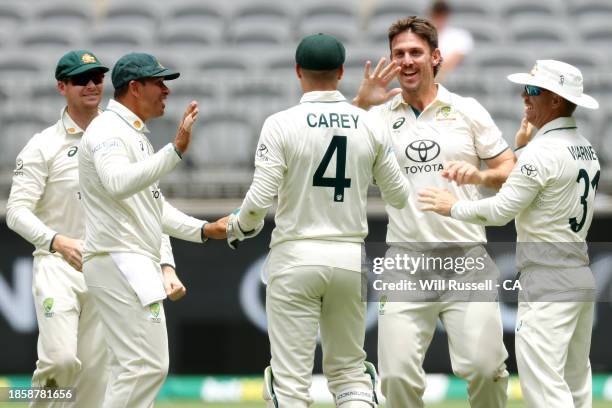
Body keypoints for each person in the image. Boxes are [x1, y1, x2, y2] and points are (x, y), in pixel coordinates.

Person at [226, 33, 411, 408]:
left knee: (291, 382)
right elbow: (400, 196)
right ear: (342, 72)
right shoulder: (370, 124)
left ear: (298, 71)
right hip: (348, 257)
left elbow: (260, 198)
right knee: (349, 374)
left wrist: (239, 227)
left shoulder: (280, 123)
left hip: (295, 257)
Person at [419, 59, 600, 408]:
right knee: (576, 383)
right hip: (579, 274)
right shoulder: (586, 149)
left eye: (533, 91)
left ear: (556, 101)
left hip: (548, 280)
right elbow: (540, 187)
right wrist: (520, 150)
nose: (524, 96)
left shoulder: (540, 153)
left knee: (545, 387)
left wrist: (452, 206)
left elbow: (501, 210)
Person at [352, 17, 514, 408]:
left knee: (485, 368)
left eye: (415, 53)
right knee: (395, 378)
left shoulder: (467, 110)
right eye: (398, 54)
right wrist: (359, 103)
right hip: (406, 262)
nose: (406, 61)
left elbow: (509, 169)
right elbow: (327, 153)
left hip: (467, 259)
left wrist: (479, 173)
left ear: (436, 56)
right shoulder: (376, 118)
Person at [78, 52, 228, 408]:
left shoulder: (132, 133)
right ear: (134, 87)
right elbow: (116, 182)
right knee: (145, 365)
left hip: (127, 259)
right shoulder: (108, 130)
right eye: (159, 83)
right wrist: (174, 151)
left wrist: (203, 230)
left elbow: (152, 206)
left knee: (134, 367)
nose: (166, 91)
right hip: (119, 257)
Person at [6, 50, 110, 407]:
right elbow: (16, 212)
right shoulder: (43, 145)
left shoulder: (121, 137)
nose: (92, 85)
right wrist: (57, 242)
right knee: (61, 361)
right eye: (82, 79)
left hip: (107, 265)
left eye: (97, 77)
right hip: (57, 265)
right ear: (61, 87)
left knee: (96, 381)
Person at [429, 0, 474, 80]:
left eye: (442, 14)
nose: (439, 17)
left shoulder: (460, 36)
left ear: (447, 15)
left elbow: (454, 60)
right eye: (437, 13)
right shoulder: (422, 35)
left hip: (453, 79)